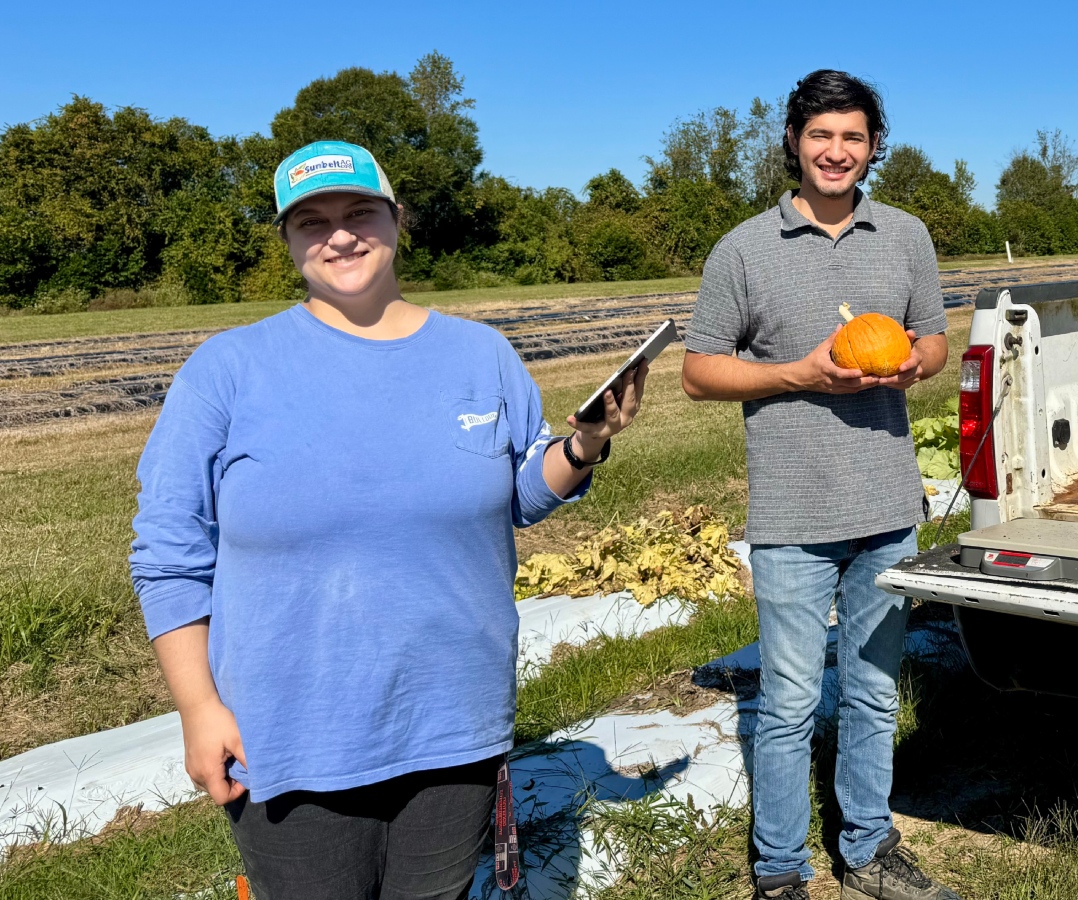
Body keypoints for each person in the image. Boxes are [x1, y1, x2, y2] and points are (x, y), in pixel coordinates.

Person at [129, 140, 645, 899]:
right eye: (312, 221)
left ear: (397, 219)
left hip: (454, 722)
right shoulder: (228, 370)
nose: (339, 234)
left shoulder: (481, 354)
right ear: (287, 239)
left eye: (358, 211)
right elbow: (170, 555)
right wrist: (199, 709)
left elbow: (523, 494)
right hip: (291, 732)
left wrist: (586, 443)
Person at [681, 71, 959, 900]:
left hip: (886, 504)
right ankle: (779, 871)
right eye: (820, 136)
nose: (837, 152)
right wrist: (797, 373)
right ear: (795, 144)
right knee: (790, 703)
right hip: (793, 512)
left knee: (875, 692)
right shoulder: (744, 248)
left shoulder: (905, 235)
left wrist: (916, 363)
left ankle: (869, 849)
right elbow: (698, 373)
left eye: (853, 136)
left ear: (875, 146)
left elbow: (937, 340)